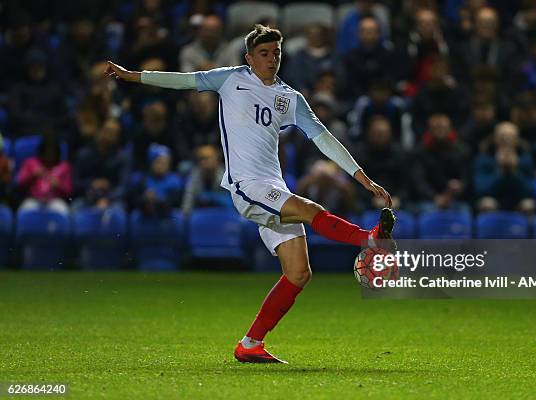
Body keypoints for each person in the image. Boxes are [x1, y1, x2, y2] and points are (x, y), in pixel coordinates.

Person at [105, 24, 396, 364]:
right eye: (264, 53)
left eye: (276, 53)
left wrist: (361, 176)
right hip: (247, 186)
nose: (272, 59)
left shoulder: (290, 98)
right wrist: (132, 76)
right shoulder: (231, 79)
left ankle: (250, 344)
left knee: (298, 273)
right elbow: (184, 80)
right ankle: (370, 240)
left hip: (275, 187)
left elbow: (323, 137)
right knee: (309, 208)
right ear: (249, 57)